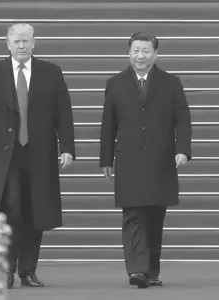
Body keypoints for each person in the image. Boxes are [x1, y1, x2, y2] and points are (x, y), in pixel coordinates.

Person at [0, 23, 75, 289]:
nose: (21, 46)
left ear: (34, 43)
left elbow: (63, 113)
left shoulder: (50, 72)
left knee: (35, 212)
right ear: (7, 44)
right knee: (10, 211)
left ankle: (28, 270)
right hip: (5, 155)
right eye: (16, 41)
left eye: (25, 41)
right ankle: (7, 269)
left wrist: (67, 147)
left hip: (39, 153)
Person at [99, 32, 192, 288]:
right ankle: (137, 270)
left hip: (160, 160)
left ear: (155, 54)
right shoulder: (115, 83)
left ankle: (151, 270)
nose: (140, 56)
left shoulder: (171, 83)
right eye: (136, 51)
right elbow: (108, 124)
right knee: (133, 215)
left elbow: (182, 119)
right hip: (128, 160)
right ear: (129, 52)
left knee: (154, 216)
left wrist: (182, 149)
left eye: (146, 51)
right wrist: (106, 159)